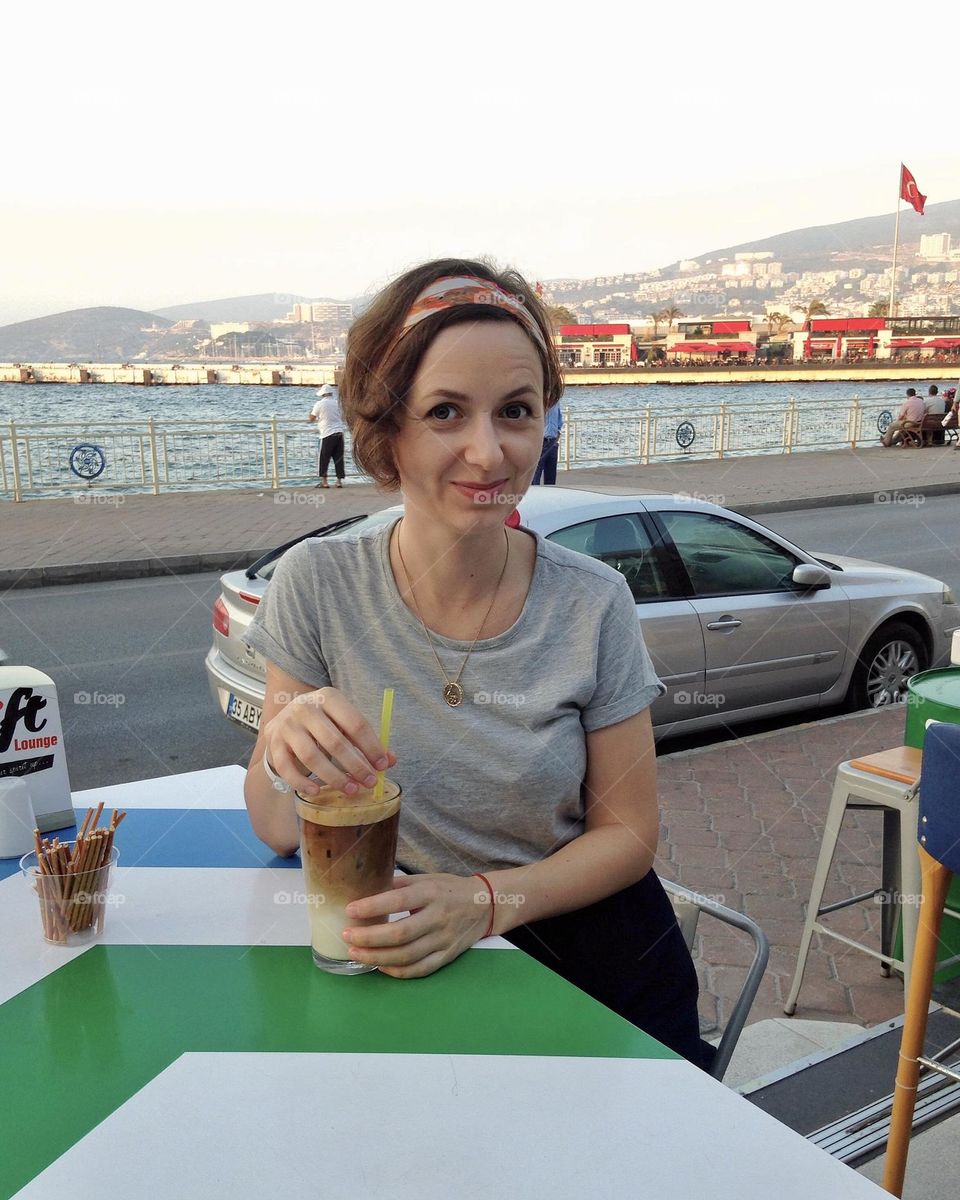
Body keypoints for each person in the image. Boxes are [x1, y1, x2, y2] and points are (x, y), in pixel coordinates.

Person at [242, 257, 712, 1070]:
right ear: (385, 429)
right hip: (402, 950)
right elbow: (277, 825)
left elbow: (630, 836)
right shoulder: (318, 582)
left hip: (589, 962)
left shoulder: (593, 600)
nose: (488, 452)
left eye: (516, 411)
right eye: (445, 412)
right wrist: (288, 751)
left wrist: (485, 902)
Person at [308, 383, 346, 487]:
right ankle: (339, 481)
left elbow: (311, 419)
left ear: (322, 394)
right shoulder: (337, 403)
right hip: (339, 433)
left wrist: (311, 412)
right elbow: (343, 416)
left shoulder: (319, 404)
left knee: (324, 458)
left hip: (327, 434)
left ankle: (324, 482)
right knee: (338, 458)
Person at [531, 400, 562, 484]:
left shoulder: (555, 402)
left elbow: (559, 417)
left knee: (551, 471)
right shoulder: (539, 400)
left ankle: (550, 490)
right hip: (541, 440)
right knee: (537, 470)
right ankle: (535, 490)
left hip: (553, 441)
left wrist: (558, 431)